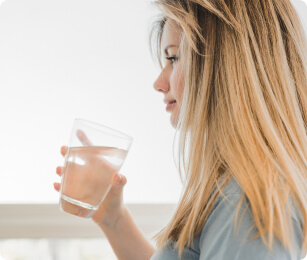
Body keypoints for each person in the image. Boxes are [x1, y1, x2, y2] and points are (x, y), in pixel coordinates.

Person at [54, 0, 307, 259]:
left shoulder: (246, 205)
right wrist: (113, 218)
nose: (159, 83)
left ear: (224, 65)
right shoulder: (235, 193)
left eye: (173, 58)